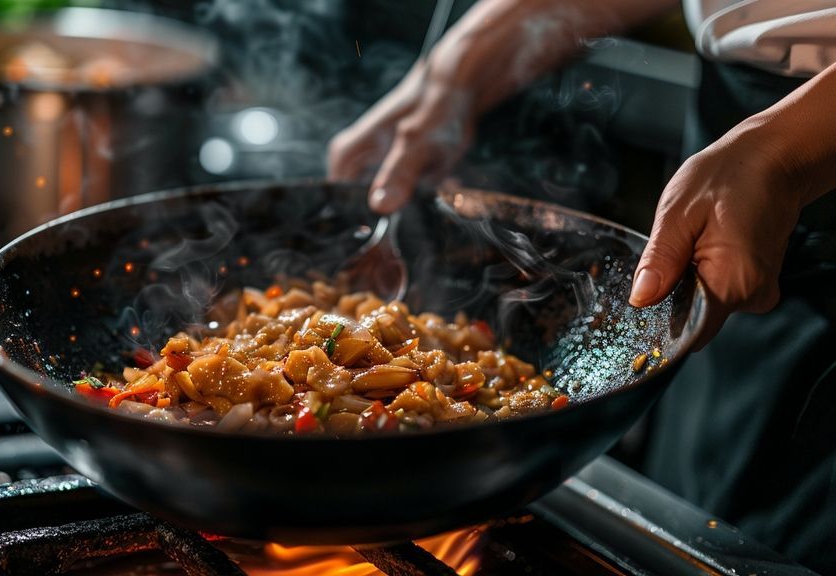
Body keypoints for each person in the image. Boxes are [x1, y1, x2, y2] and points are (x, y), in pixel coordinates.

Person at [328, 1, 836, 572]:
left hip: (800, 138)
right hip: (735, 122)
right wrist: (477, 47)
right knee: (706, 530)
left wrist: (787, 152)